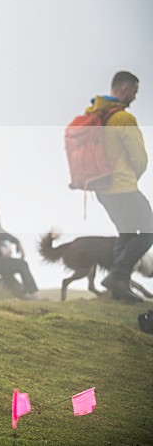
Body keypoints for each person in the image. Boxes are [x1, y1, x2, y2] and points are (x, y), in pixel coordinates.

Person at [90, 71, 152, 302]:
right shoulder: (124, 119)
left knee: (125, 235)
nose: (135, 97)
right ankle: (117, 276)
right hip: (122, 186)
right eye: (134, 92)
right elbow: (139, 158)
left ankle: (120, 289)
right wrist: (133, 175)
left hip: (101, 189)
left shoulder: (98, 115)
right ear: (124, 89)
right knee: (148, 231)